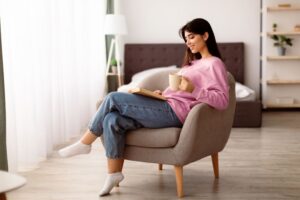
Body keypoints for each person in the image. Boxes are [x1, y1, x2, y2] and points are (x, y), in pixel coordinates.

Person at [58, 18, 229, 196]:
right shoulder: (192, 63)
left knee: (112, 98)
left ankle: (85, 143)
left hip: (175, 113)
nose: (188, 42)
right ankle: (113, 174)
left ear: (206, 35)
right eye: (186, 39)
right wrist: (162, 94)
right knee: (112, 119)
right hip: (165, 104)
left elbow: (222, 100)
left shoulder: (214, 64)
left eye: (192, 37)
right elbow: (178, 90)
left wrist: (194, 89)